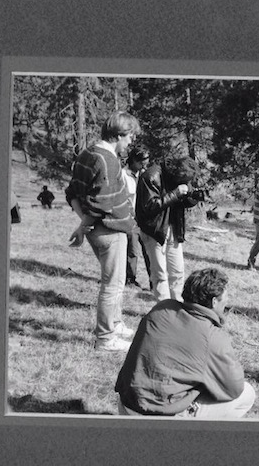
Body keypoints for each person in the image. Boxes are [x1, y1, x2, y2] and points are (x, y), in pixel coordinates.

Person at [115, 268, 256, 418]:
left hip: (126, 406)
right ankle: (189, 436)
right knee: (247, 393)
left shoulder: (162, 308)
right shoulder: (212, 337)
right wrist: (199, 389)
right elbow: (233, 388)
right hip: (160, 417)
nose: (227, 302)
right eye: (226, 297)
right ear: (214, 302)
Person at [65, 111, 141, 352]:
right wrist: (85, 224)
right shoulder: (106, 160)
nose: (131, 142)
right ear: (119, 135)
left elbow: (74, 193)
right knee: (113, 284)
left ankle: (115, 324)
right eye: (130, 137)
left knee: (115, 281)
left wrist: (82, 225)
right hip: (109, 231)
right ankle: (106, 338)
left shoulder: (87, 153)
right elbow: (101, 204)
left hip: (97, 229)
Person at [136, 156, 200, 302]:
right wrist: (175, 193)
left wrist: (192, 197)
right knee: (160, 274)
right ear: (176, 174)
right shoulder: (151, 176)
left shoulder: (180, 177)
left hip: (174, 228)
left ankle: (177, 307)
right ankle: (163, 310)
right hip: (154, 230)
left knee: (178, 271)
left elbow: (181, 202)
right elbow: (149, 207)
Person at [123, 146, 151, 288]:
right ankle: (130, 279)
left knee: (149, 250)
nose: (143, 166)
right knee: (132, 250)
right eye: (141, 163)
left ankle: (154, 281)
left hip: (144, 218)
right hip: (130, 218)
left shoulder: (145, 175)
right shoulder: (123, 175)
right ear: (133, 160)